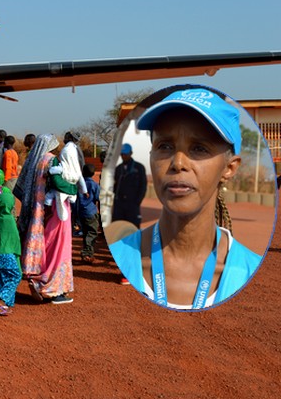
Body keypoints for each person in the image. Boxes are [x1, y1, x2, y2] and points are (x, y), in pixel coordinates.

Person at [109, 87, 262, 309]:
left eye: (199, 148)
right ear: (151, 155)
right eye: (165, 146)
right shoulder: (123, 255)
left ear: (229, 168)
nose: (178, 163)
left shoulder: (247, 270)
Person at [17, 134, 75, 305]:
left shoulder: (36, 161)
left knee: (46, 245)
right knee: (57, 248)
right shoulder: (51, 160)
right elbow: (57, 183)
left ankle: (39, 279)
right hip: (54, 211)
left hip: (38, 212)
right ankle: (52, 288)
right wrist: (73, 189)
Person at [0, 168, 22, 315]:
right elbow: (15, 239)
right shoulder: (9, 219)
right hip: (7, 253)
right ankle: (1, 300)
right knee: (15, 275)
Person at [113, 143, 148, 227]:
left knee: (133, 228)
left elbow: (143, 186)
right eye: (122, 154)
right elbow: (115, 185)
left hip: (132, 204)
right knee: (118, 228)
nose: (123, 156)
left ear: (131, 153)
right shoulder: (118, 169)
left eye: (125, 154)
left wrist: (137, 202)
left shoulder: (139, 168)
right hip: (119, 206)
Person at [76, 164, 101, 263]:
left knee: (86, 233)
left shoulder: (79, 184)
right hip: (91, 212)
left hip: (81, 213)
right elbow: (98, 198)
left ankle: (88, 252)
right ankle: (86, 253)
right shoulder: (94, 185)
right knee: (92, 233)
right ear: (93, 173)